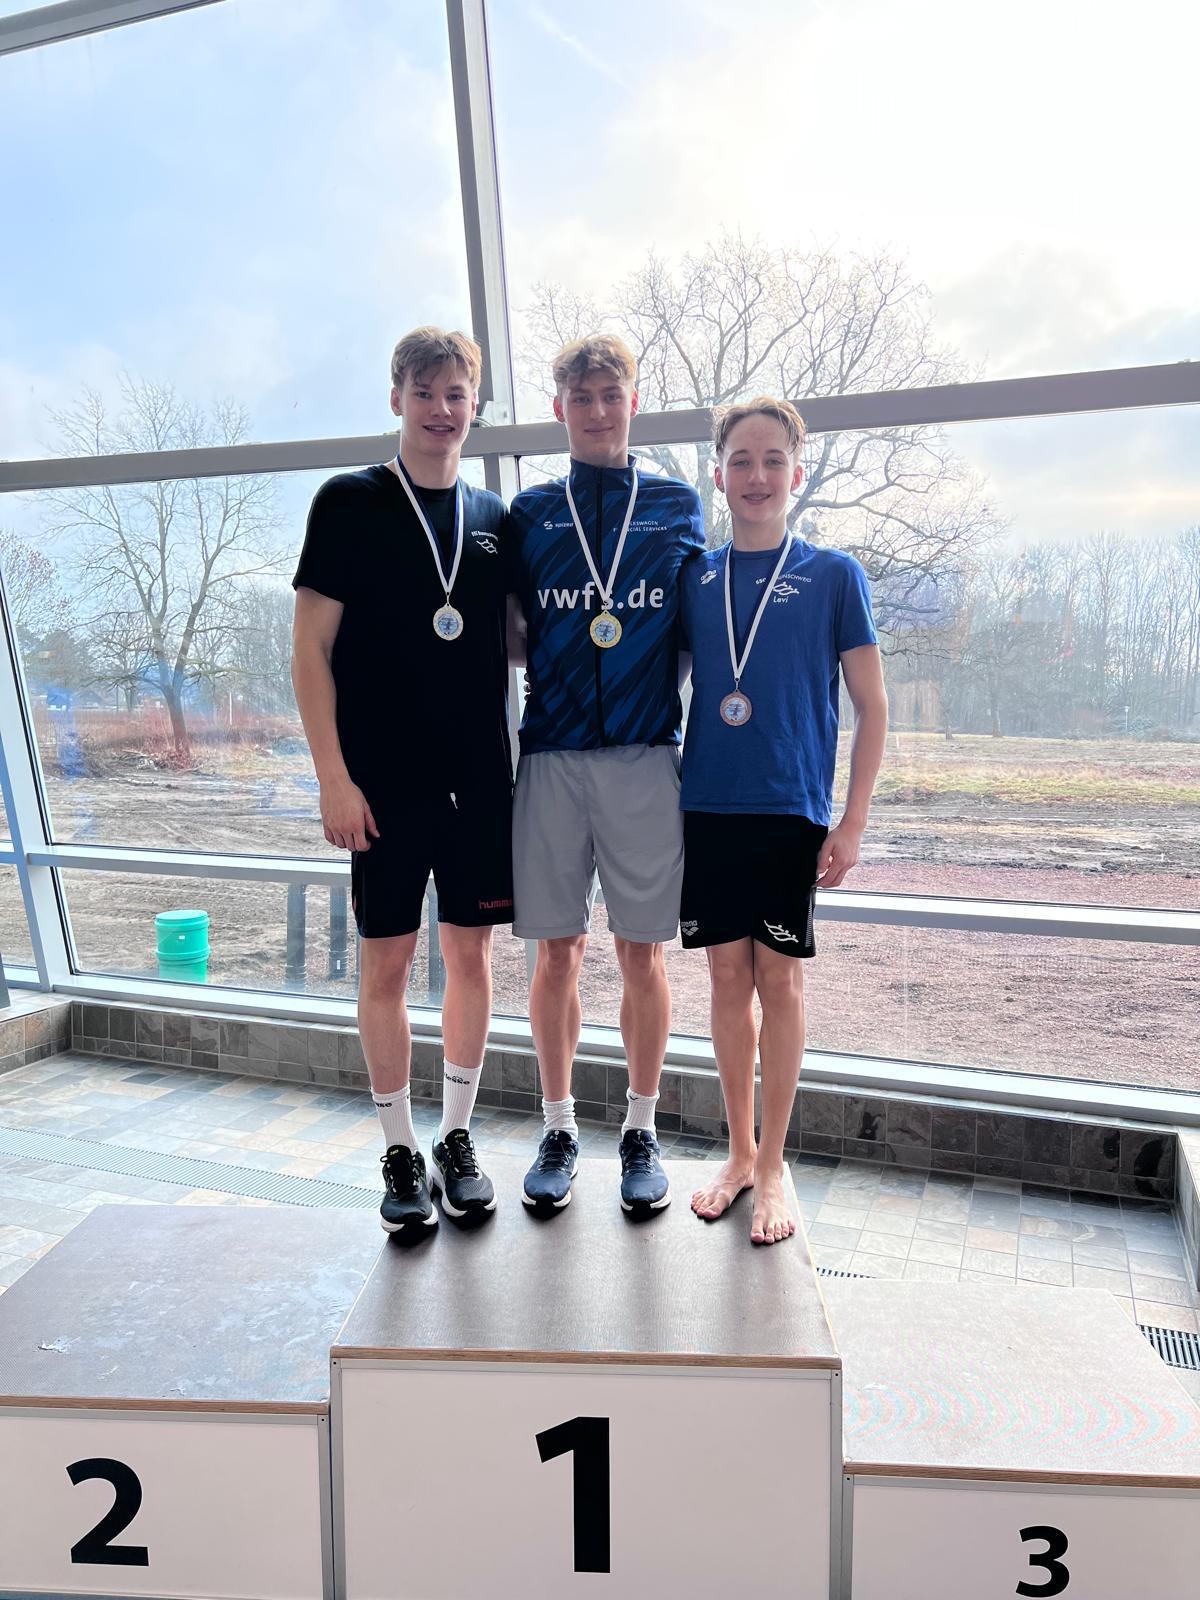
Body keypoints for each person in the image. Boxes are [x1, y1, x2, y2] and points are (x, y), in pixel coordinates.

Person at [291, 327, 513, 1235]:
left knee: (472, 958)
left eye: (457, 394)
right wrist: (332, 778)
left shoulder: (494, 518)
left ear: (475, 406)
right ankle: (397, 1147)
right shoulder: (348, 502)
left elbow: (516, 641)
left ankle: (456, 1138)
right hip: (380, 786)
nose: (441, 410)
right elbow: (310, 651)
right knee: (386, 962)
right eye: (425, 392)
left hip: (479, 785)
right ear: (396, 399)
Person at [680, 396, 888, 1244]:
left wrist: (853, 822)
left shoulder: (835, 576)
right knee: (727, 983)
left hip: (789, 810)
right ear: (720, 474)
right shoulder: (697, 578)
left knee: (781, 984)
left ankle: (772, 1167)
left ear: (797, 473)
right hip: (707, 806)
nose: (757, 475)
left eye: (773, 460)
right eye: (741, 460)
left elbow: (873, 708)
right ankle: (737, 1154)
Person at [506, 333, 705, 1215]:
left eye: (609, 395)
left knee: (641, 953)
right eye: (580, 397)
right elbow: (509, 631)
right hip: (551, 754)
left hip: (644, 755)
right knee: (557, 951)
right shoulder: (529, 513)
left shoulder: (674, 505)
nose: (595, 411)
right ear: (559, 409)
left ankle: (640, 1128)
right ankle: (558, 1126)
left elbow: (696, 630)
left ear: (633, 402)